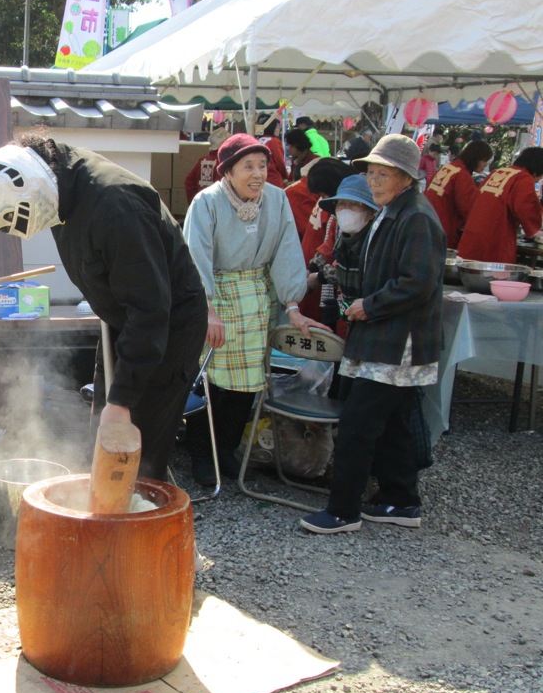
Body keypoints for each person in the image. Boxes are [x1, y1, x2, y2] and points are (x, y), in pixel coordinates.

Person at [0, 131, 208, 482]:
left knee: (135, 451)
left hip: (165, 330)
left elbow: (150, 311)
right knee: (104, 440)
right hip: (124, 324)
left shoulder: (116, 207)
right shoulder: (62, 182)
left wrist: (121, 402)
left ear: (35, 189)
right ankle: (107, 515)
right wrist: (115, 401)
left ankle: (142, 522)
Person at [300, 134, 445, 534]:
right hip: (383, 334)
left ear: (405, 178)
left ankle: (343, 510)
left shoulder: (416, 216)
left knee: (358, 423)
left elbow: (418, 282)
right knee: (394, 422)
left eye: (383, 175)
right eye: (371, 173)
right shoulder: (393, 210)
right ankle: (401, 500)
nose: (374, 182)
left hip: (397, 340)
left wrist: (371, 304)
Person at [182, 133, 327, 486]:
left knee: (248, 385)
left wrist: (292, 305)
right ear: (228, 171)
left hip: (258, 299)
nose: (258, 173)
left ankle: (227, 450)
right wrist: (207, 311)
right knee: (211, 383)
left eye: (263, 165)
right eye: (248, 166)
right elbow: (194, 257)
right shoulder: (207, 202)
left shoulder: (276, 200)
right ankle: (202, 454)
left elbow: (286, 250)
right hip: (220, 297)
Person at [309, 174, 379, 337]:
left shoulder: (377, 242)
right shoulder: (344, 233)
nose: (347, 210)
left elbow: (376, 294)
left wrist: (320, 277)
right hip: (348, 318)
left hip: (372, 328)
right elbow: (328, 247)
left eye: (355, 205)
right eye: (342, 204)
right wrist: (312, 267)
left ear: (371, 212)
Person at [457, 147, 543, 264]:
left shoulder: (497, 172)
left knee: (469, 271)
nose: (538, 181)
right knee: (493, 278)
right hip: (496, 236)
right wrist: (534, 230)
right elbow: (526, 209)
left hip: (472, 234)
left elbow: (474, 200)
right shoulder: (523, 178)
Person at [424, 140, 494, 249]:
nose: (485, 165)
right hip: (444, 231)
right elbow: (471, 209)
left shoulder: (448, 168)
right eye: (484, 161)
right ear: (476, 158)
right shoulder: (462, 175)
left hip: (428, 225)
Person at [184, 127, 230, 203]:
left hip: (202, 205)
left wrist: (194, 202)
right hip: (216, 207)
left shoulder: (202, 161)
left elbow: (189, 182)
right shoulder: (222, 163)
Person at [257, 113, 288, 188]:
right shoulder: (274, 141)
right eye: (277, 128)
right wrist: (285, 176)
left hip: (258, 178)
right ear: (272, 128)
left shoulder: (257, 140)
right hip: (273, 180)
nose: (278, 130)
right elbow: (280, 161)